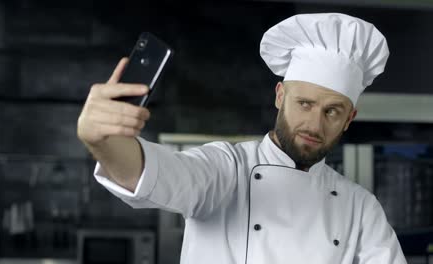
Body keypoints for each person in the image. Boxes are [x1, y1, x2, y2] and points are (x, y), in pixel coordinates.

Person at [77, 13, 407, 264]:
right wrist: (104, 141)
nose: (314, 124)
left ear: (350, 119)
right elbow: (154, 174)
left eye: (332, 112)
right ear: (280, 96)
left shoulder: (360, 208)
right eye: (304, 104)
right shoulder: (226, 170)